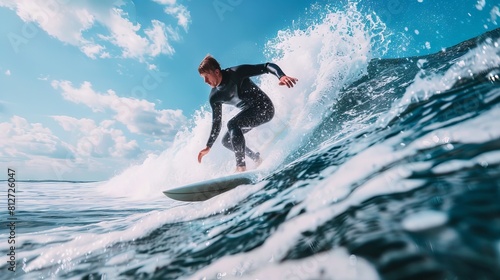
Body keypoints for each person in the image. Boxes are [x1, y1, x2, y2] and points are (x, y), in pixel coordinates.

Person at [197, 54, 298, 172]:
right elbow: (217, 122)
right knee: (226, 141)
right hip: (250, 113)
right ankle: (256, 158)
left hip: (265, 109)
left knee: (232, 124)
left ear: (217, 72)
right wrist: (208, 146)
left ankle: (241, 167)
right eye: (203, 78)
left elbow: (266, 66)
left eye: (206, 76)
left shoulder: (236, 73)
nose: (205, 81)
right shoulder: (214, 97)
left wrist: (281, 76)